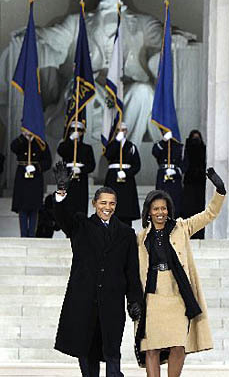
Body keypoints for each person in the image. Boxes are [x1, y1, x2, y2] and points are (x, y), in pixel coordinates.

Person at [7, 0, 192, 149]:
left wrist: (178, 38)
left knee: (144, 92)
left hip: (126, 88)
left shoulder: (143, 23)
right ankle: (80, 152)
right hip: (93, 84)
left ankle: (127, 149)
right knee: (84, 90)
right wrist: (32, 33)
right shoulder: (78, 21)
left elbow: (163, 35)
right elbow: (55, 37)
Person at [53, 161, 143, 377]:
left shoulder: (126, 233)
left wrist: (135, 300)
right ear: (94, 203)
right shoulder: (81, 226)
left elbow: (131, 270)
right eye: (103, 202)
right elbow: (62, 218)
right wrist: (61, 192)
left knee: (112, 353)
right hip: (84, 302)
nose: (107, 207)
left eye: (112, 203)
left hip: (111, 304)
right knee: (87, 355)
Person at [135, 167, 226, 376]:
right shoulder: (140, 238)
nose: (160, 212)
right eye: (156, 209)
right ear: (148, 211)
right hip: (151, 297)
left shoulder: (182, 228)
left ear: (169, 210)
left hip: (177, 295)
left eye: (164, 208)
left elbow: (209, 214)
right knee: (151, 347)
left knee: (178, 345)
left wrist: (219, 191)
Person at [11, 132, 52, 237]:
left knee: (34, 208)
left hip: (35, 177)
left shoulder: (41, 143)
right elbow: (14, 147)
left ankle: (32, 234)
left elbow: (48, 161)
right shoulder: (21, 140)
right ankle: (24, 234)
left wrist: (37, 167)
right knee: (22, 207)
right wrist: (24, 138)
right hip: (22, 176)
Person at [104, 122, 141, 226]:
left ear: (126, 132)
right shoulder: (111, 144)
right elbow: (108, 155)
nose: (121, 132)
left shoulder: (131, 146)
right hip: (113, 178)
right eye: (119, 130)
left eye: (123, 130)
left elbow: (137, 165)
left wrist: (126, 173)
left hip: (126, 179)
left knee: (126, 208)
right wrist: (116, 141)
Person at [57, 121, 96, 215]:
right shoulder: (66, 145)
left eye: (79, 130)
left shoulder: (87, 148)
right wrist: (70, 139)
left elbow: (91, 165)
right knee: (67, 208)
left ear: (82, 132)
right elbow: (61, 151)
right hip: (67, 179)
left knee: (80, 207)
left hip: (81, 180)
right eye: (73, 130)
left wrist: (81, 169)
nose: (76, 132)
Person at [152, 131, 183, 218]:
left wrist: (176, 171)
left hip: (174, 177)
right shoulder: (161, 145)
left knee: (175, 203)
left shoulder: (179, 147)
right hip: (163, 176)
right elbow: (155, 152)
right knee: (161, 200)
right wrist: (164, 140)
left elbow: (185, 163)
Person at [182, 130, 206, 239]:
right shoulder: (187, 150)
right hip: (189, 184)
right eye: (194, 138)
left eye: (197, 138)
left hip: (200, 184)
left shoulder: (203, 149)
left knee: (200, 211)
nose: (196, 141)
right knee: (188, 210)